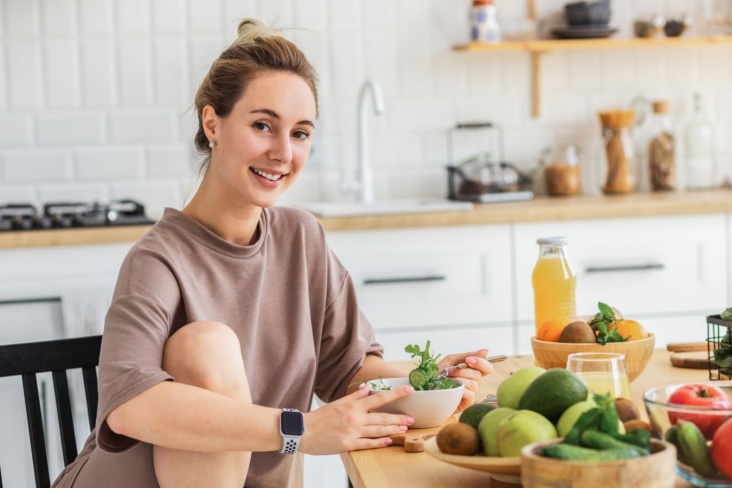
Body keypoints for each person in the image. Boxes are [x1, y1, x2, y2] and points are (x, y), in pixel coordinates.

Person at [52, 19, 493, 488]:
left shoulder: (302, 239)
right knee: (206, 344)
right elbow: (127, 408)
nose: (283, 152)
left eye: (300, 133)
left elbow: (349, 370)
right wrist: (295, 429)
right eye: (263, 125)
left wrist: (427, 385)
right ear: (212, 123)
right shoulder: (158, 261)